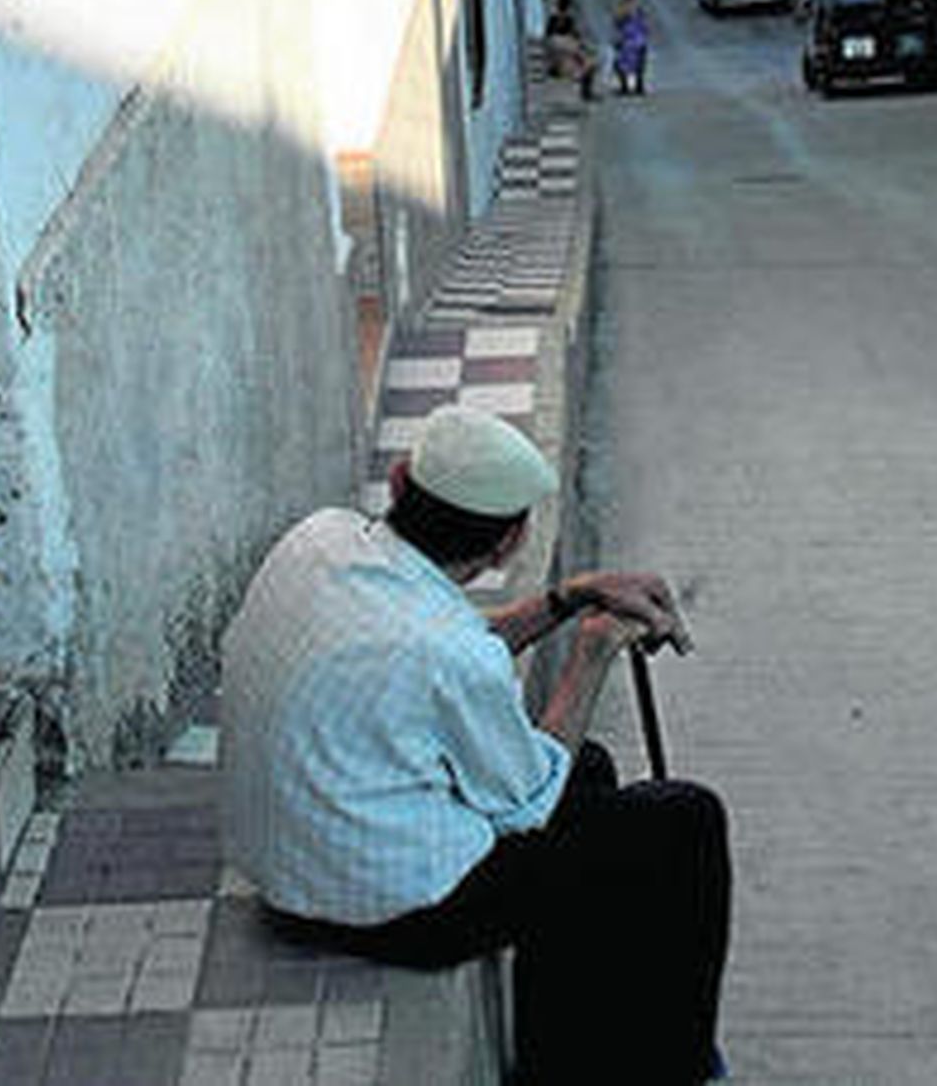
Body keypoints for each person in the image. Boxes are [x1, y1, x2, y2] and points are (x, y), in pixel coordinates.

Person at [220, 409, 731, 1086]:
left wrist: (569, 597)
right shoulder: (448, 651)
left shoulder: (323, 540)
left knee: (593, 776)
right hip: (391, 912)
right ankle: (675, 1066)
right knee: (682, 820)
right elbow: (528, 804)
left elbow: (450, 648)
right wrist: (592, 650)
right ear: (508, 542)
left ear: (400, 482)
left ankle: (569, 1054)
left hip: (287, 869)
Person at [544, 0, 596, 100]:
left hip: (569, 53)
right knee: (583, 64)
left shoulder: (568, 20)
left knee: (587, 63)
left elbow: (576, 36)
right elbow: (553, 39)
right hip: (563, 55)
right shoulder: (556, 21)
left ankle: (586, 90)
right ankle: (585, 90)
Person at [612, 0, 650, 95]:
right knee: (639, 62)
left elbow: (617, 21)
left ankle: (625, 87)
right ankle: (638, 85)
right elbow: (643, 20)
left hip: (628, 38)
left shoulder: (623, 6)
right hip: (639, 38)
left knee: (620, 64)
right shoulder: (637, 5)